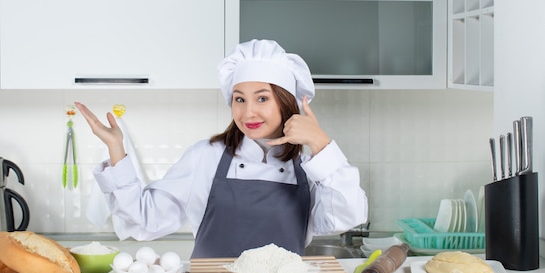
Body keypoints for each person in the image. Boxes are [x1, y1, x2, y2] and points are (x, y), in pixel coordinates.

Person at [75, 39, 367, 258]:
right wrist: (116, 147)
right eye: (239, 99)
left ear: (286, 102)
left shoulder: (308, 166)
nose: (248, 112)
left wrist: (321, 145)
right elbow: (142, 220)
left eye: (262, 98)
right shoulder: (206, 157)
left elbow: (347, 217)